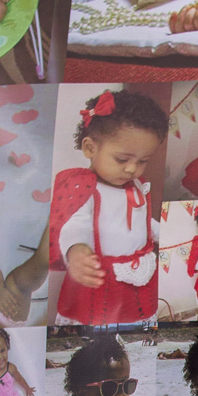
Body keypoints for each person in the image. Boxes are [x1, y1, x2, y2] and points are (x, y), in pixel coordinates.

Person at [49, 90, 168, 328]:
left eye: (143, 161)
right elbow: (75, 225)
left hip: (138, 276)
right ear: (90, 148)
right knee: (98, 326)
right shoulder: (86, 188)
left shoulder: (135, 185)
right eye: (122, 159)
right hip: (102, 279)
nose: (132, 169)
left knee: (136, 322)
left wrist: (165, 234)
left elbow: (143, 222)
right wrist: (76, 250)